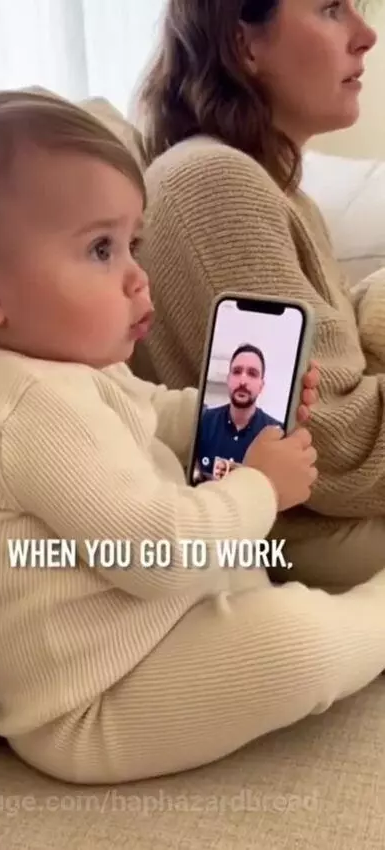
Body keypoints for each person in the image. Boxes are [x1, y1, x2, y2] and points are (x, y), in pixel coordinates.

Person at [0, 90, 383, 791]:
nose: (138, 276)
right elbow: (157, 553)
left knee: (266, 603)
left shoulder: (67, 373)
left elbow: (155, 416)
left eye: (133, 244)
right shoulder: (21, 409)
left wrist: (240, 414)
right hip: (96, 703)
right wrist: (259, 485)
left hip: (166, 632)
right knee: (292, 646)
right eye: (101, 249)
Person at [133, 0, 385, 590]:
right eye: (330, 9)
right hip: (298, 544)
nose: (366, 35)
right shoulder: (214, 183)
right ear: (245, 45)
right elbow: (333, 447)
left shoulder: (280, 195)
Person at [196, 343, 283, 481]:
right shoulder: (203, 421)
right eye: (236, 371)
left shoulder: (277, 435)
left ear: (261, 386)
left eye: (252, 374)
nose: (243, 381)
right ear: (228, 380)